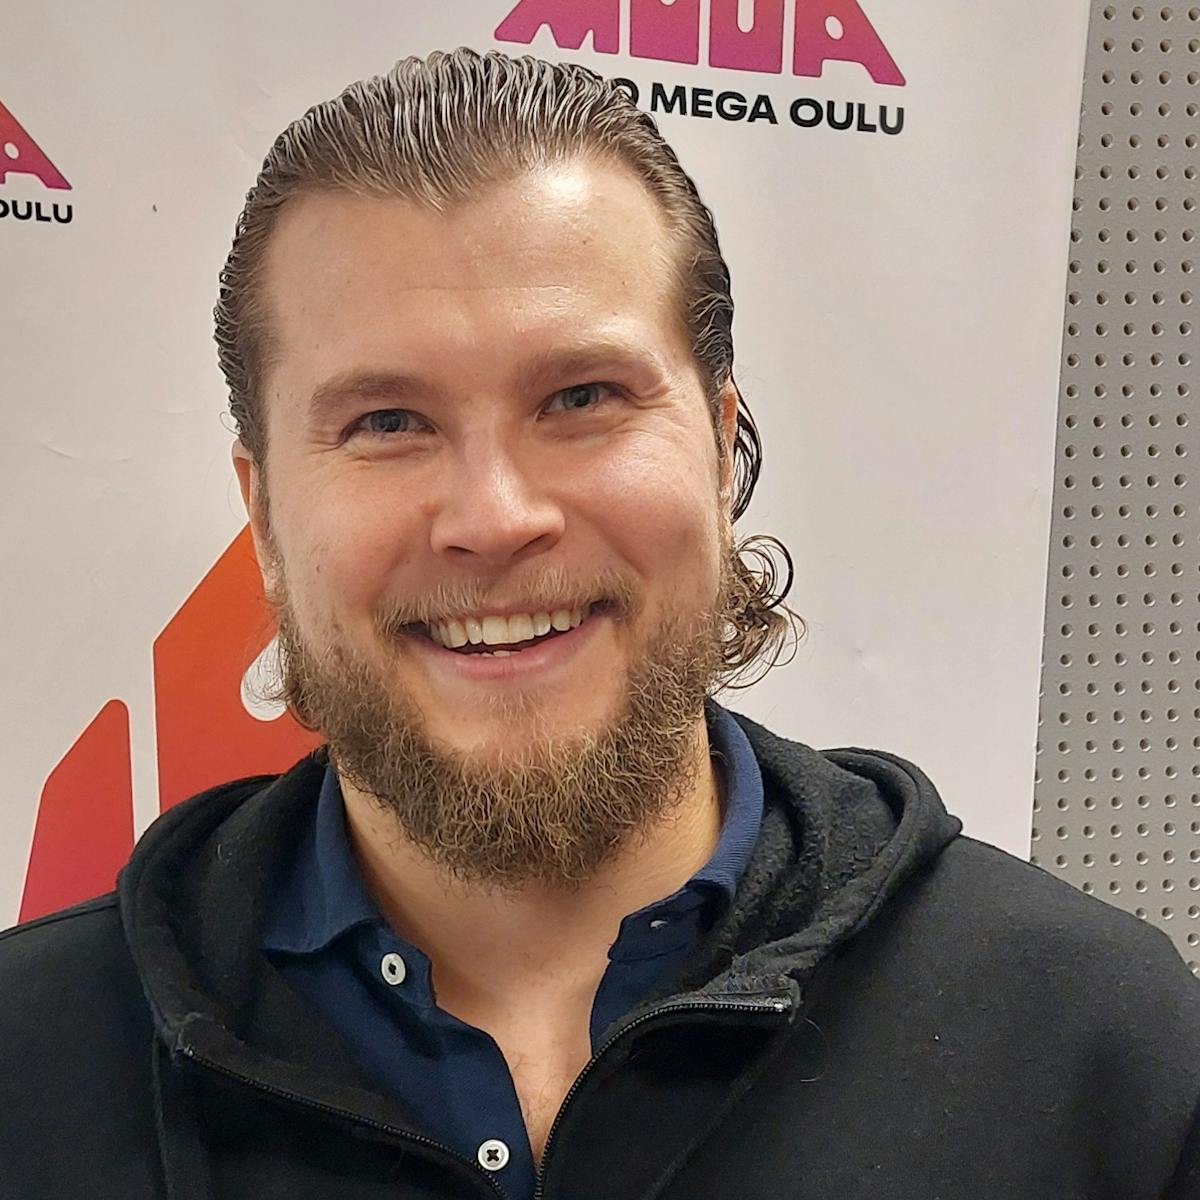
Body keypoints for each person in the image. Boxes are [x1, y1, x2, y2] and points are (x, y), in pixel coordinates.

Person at [1, 46, 1197, 1200]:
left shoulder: (1101, 1061)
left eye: (581, 397)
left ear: (720, 452)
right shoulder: (29, 1072)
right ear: (263, 515)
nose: (494, 518)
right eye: (387, 423)